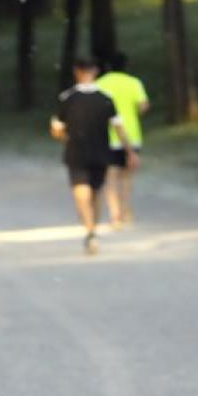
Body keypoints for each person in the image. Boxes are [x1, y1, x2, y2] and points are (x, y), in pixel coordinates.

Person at [52, 57, 137, 255]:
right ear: (95, 71)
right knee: (96, 192)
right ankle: (94, 230)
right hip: (101, 151)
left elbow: (57, 129)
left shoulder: (67, 98)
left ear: (76, 71)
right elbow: (119, 127)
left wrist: (66, 138)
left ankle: (89, 230)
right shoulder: (105, 97)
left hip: (76, 151)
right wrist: (129, 151)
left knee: (80, 192)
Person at [93, 53, 151, 229]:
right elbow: (143, 106)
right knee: (126, 176)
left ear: (108, 66)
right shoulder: (133, 82)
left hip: (108, 136)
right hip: (131, 134)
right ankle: (126, 210)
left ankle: (114, 214)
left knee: (110, 177)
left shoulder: (100, 84)